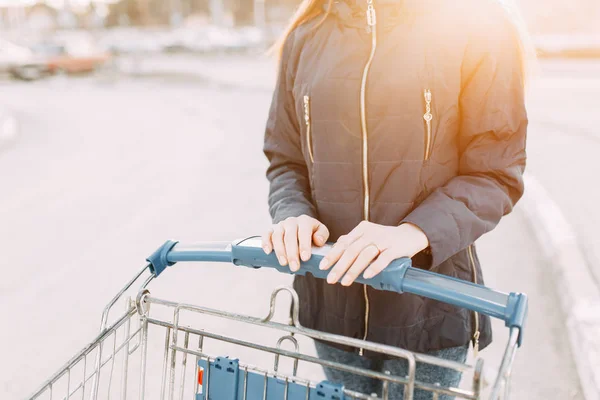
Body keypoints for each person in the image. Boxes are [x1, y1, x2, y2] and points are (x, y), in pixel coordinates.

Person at [261, 0, 531, 398]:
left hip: (430, 305)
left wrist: (414, 232)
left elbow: (495, 173)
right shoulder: (307, 34)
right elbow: (286, 159)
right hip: (332, 304)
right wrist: (293, 213)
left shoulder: (474, 24)